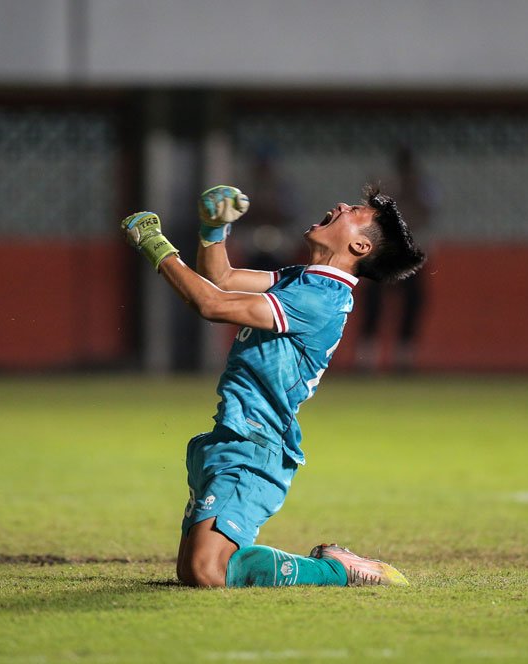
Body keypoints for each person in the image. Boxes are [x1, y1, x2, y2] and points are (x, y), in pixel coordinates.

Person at [121, 184, 425, 588]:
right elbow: (222, 277)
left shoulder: (321, 298)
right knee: (195, 570)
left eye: (354, 211)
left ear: (359, 247)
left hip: (257, 443)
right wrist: (214, 228)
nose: (339, 205)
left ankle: (335, 570)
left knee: (206, 571)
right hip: (233, 432)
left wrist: (156, 247)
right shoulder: (304, 280)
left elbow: (212, 304)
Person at [356, 147, 438, 372]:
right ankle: (367, 355)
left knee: (412, 301)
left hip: (410, 251)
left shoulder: (422, 187)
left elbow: (424, 214)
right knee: (373, 301)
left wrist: (409, 192)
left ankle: (404, 356)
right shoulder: (389, 186)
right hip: (385, 251)